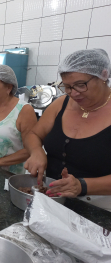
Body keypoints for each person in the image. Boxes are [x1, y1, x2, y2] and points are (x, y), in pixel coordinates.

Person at [24, 49, 111, 211]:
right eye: (67, 86)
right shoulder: (62, 103)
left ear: (103, 76)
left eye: (80, 85)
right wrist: (36, 151)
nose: (74, 93)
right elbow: (34, 134)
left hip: (98, 207)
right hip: (50, 199)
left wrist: (82, 185)